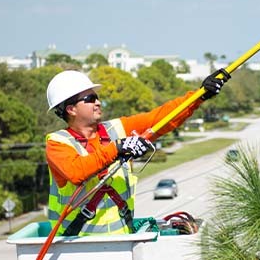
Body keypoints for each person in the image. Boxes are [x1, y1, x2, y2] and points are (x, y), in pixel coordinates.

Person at [44, 69, 230, 236]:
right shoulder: (57, 143)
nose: (98, 102)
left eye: (97, 97)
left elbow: (161, 118)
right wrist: (118, 147)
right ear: (71, 109)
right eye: (90, 99)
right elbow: (77, 171)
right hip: (76, 247)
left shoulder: (118, 128)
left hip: (121, 242)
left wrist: (200, 95)